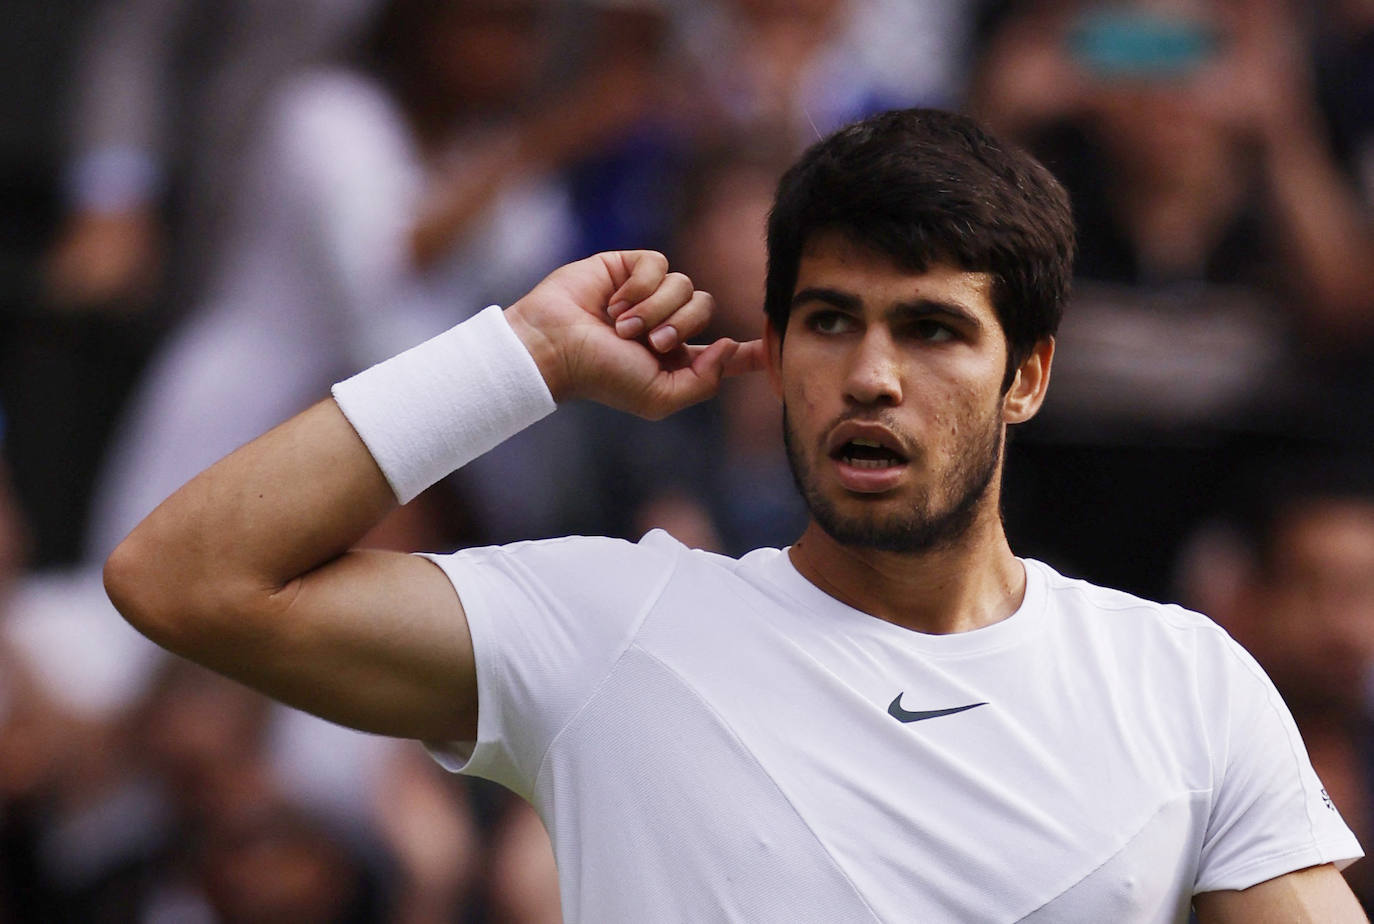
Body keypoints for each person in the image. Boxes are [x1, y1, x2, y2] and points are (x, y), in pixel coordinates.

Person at [104, 108, 1365, 921]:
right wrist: (523, 359)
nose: (871, 374)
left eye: (931, 329)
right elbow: (181, 579)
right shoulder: (607, 627)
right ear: (774, 344)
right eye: (829, 321)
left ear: (1027, 374)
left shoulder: (1184, 679)